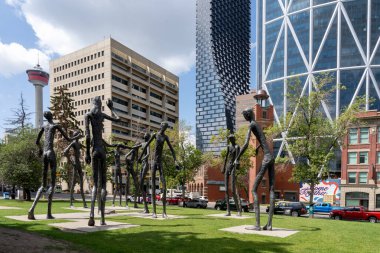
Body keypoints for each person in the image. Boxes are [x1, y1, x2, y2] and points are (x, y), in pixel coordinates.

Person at [28, 111, 78, 220]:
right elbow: (68, 139)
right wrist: (77, 136)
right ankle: (48, 213)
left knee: (43, 183)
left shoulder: (44, 126)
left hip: (45, 154)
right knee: (52, 184)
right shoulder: (55, 125)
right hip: (50, 153)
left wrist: (40, 150)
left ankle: (32, 209)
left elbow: (37, 141)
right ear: (51, 116)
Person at [235, 108, 275, 231]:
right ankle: (269, 225)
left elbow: (246, 144)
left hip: (267, 158)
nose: (246, 119)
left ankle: (257, 225)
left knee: (253, 190)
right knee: (272, 189)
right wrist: (258, 147)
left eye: (245, 117)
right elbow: (262, 138)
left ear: (247, 116)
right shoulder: (257, 123)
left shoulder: (252, 124)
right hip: (271, 157)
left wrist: (237, 158)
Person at [85, 96, 120, 226]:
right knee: (104, 184)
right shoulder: (102, 115)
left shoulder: (88, 115)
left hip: (94, 150)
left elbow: (88, 136)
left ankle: (91, 215)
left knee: (95, 184)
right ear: (100, 105)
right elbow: (118, 119)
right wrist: (112, 108)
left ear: (92, 103)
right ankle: (103, 219)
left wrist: (87, 154)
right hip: (102, 150)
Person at [140, 122, 178, 218]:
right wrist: (140, 157)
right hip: (154, 162)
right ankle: (154, 212)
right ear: (161, 126)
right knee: (153, 185)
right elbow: (146, 146)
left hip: (160, 162)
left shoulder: (165, 137)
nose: (164, 128)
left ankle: (164, 212)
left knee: (164, 185)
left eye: (166, 127)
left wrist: (176, 161)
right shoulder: (155, 135)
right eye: (163, 127)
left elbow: (172, 150)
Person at [63, 130, 87, 208]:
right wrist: (71, 159)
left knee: (81, 184)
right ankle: (71, 203)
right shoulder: (73, 143)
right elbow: (65, 152)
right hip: (75, 164)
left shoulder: (79, 144)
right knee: (73, 183)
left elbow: (85, 147)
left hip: (79, 164)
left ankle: (84, 203)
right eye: (78, 135)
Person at [103, 141, 131, 207]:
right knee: (116, 186)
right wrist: (104, 146)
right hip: (116, 169)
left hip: (119, 169)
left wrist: (131, 147)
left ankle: (120, 203)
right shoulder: (114, 151)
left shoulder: (120, 152)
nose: (119, 147)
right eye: (119, 146)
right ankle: (113, 203)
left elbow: (125, 148)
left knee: (120, 186)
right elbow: (107, 152)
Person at [222, 134, 242, 216]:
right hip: (228, 166)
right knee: (226, 190)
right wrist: (223, 167)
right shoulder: (228, 146)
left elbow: (238, 159)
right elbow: (226, 157)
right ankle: (228, 211)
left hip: (233, 166)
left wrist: (237, 164)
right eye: (229, 139)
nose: (230, 140)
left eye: (231, 139)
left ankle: (238, 210)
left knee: (233, 191)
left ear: (234, 139)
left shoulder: (237, 147)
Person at [138, 132, 151, 213]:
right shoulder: (143, 144)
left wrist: (142, 159)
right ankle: (145, 208)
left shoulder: (147, 144)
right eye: (145, 135)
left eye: (146, 135)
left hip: (145, 164)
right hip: (142, 164)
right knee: (140, 184)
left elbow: (148, 154)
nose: (145, 135)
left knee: (141, 183)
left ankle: (146, 208)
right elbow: (136, 147)